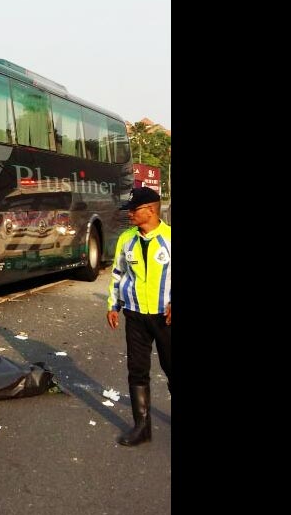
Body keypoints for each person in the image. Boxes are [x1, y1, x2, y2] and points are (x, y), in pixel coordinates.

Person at [106, 187, 171, 446]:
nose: (129, 214)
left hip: (165, 317)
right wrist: (113, 305)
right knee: (137, 370)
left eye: (134, 210)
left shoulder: (169, 237)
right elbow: (118, 274)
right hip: (135, 315)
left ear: (151, 210)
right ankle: (141, 427)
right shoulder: (127, 239)